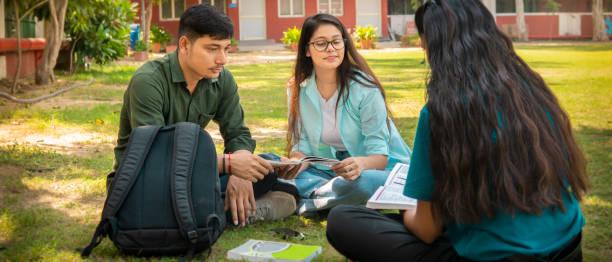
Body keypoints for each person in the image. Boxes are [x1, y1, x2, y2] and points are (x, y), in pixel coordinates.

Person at [326, 0, 590, 261]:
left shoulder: (442, 113)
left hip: (501, 256)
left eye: (423, 41)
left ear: (433, 45)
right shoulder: (532, 91)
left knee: (343, 220)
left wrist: (405, 208)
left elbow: (427, 230)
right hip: (567, 248)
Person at [111, 4, 297, 227]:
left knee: (265, 166)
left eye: (226, 49)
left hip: (190, 174)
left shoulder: (221, 79)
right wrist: (230, 164)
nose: (222, 59)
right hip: (145, 181)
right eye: (212, 49)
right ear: (184, 44)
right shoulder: (149, 81)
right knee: (255, 176)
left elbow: (237, 132)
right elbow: (156, 155)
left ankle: (221, 208)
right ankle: (234, 212)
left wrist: (241, 172)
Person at [274, 14, 412, 215]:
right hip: (328, 170)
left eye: (336, 41)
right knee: (267, 163)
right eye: (321, 43)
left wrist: (360, 164)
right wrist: (295, 164)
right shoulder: (297, 88)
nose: (331, 48)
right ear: (306, 50)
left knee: (363, 184)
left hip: (378, 169)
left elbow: (380, 157)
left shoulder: (365, 89)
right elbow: (302, 147)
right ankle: (320, 193)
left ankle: (303, 203)